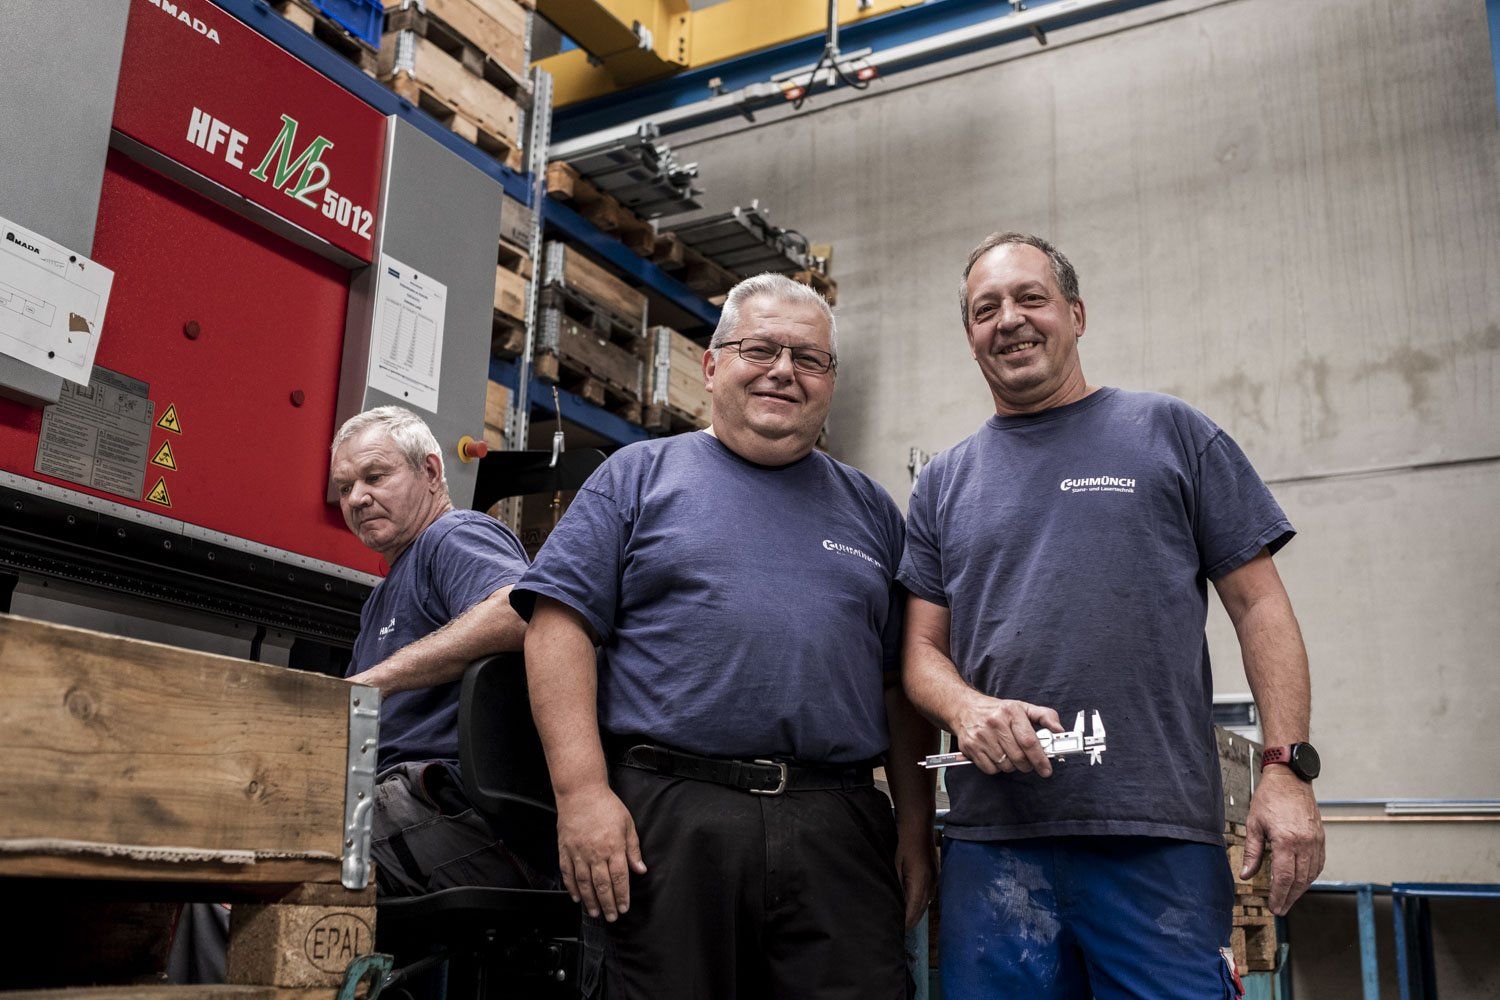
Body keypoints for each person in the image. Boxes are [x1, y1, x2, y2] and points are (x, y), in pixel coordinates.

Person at [899, 233, 1325, 999]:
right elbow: (920, 654)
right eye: (985, 308)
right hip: (995, 848)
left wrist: (1286, 769)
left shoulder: (1171, 434)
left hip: (1153, 839)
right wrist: (967, 707)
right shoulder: (942, 484)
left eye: (1031, 298)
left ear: (1076, 313)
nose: (1010, 321)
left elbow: (1259, 604)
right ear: (970, 337)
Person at [511, 273, 936, 1000]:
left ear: (830, 382)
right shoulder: (637, 478)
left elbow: (901, 683)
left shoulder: (871, 508)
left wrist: (916, 827)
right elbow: (557, 628)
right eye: (761, 349)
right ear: (711, 368)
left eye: (809, 358)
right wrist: (582, 794)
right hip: (671, 821)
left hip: (838, 826)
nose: (783, 371)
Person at [330, 405, 550, 896]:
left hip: (450, 807)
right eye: (345, 488)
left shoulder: (454, 536)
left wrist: (377, 679)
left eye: (374, 477)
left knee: (264, 864)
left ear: (430, 471)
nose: (357, 498)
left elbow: (519, 611)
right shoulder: (381, 595)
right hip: (390, 802)